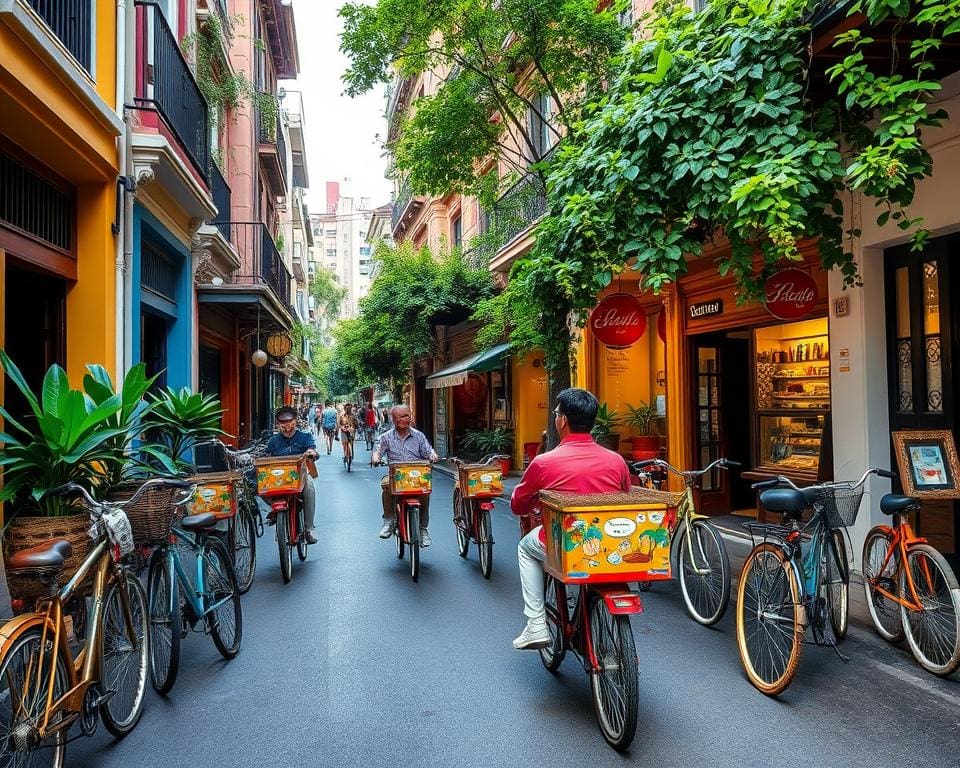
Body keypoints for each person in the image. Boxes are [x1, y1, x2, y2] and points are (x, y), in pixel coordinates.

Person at [509, 388, 631, 650]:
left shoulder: (544, 462)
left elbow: (518, 505)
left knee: (525, 549)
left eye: (556, 414)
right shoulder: (616, 461)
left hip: (563, 543)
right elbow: (625, 497)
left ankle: (536, 624)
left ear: (562, 420)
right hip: (608, 543)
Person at [371, 404, 438, 546]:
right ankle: (389, 520)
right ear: (393, 420)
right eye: (399, 417)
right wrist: (376, 458)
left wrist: (432, 455)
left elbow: (428, 450)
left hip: (416, 475)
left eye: (406, 416)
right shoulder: (386, 437)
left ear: (410, 417)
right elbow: (378, 451)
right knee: (386, 484)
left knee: (425, 491)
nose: (403, 419)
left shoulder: (419, 436)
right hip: (397, 476)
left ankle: (423, 529)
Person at [265, 405, 319, 545]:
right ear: (278, 424)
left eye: (289, 420)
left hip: (300, 475)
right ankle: (275, 509)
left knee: (310, 487)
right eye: (282, 421)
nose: (286, 424)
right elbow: (266, 455)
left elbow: (312, 449)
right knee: (259, 485)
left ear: (295, 421)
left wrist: (311, 453)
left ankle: (308, 529)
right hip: (278, 477)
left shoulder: (305, 436)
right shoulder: (273, 441)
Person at [339, 402, 358, 470]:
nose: (348, 409)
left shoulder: (353, 416)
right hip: (344, 432)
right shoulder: (342, 416)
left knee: (351, 444)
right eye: (347, 408)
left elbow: (356, 425)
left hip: (351, 432)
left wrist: (353, 428)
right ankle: (345, 455)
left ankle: (350, 455)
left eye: (349, 408)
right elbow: (340, 424)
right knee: (344, 444)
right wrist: (342, 428)